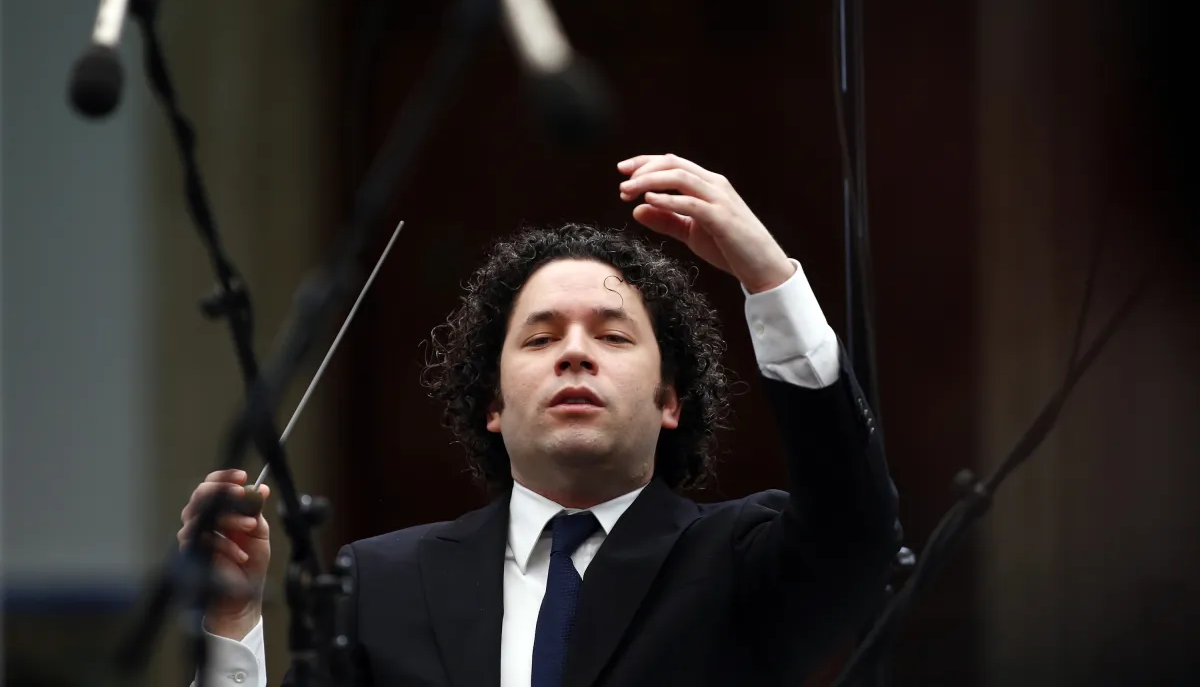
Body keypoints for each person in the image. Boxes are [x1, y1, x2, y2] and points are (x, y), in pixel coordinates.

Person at [180, 154, 900, 686]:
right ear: (493, 404)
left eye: (613, 336)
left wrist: (769, 277)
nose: (575, 354)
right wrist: (232, 622)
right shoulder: (382, 584)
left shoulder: (738, 560)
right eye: (540, 337)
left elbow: (857, 527)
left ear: (670, 401)